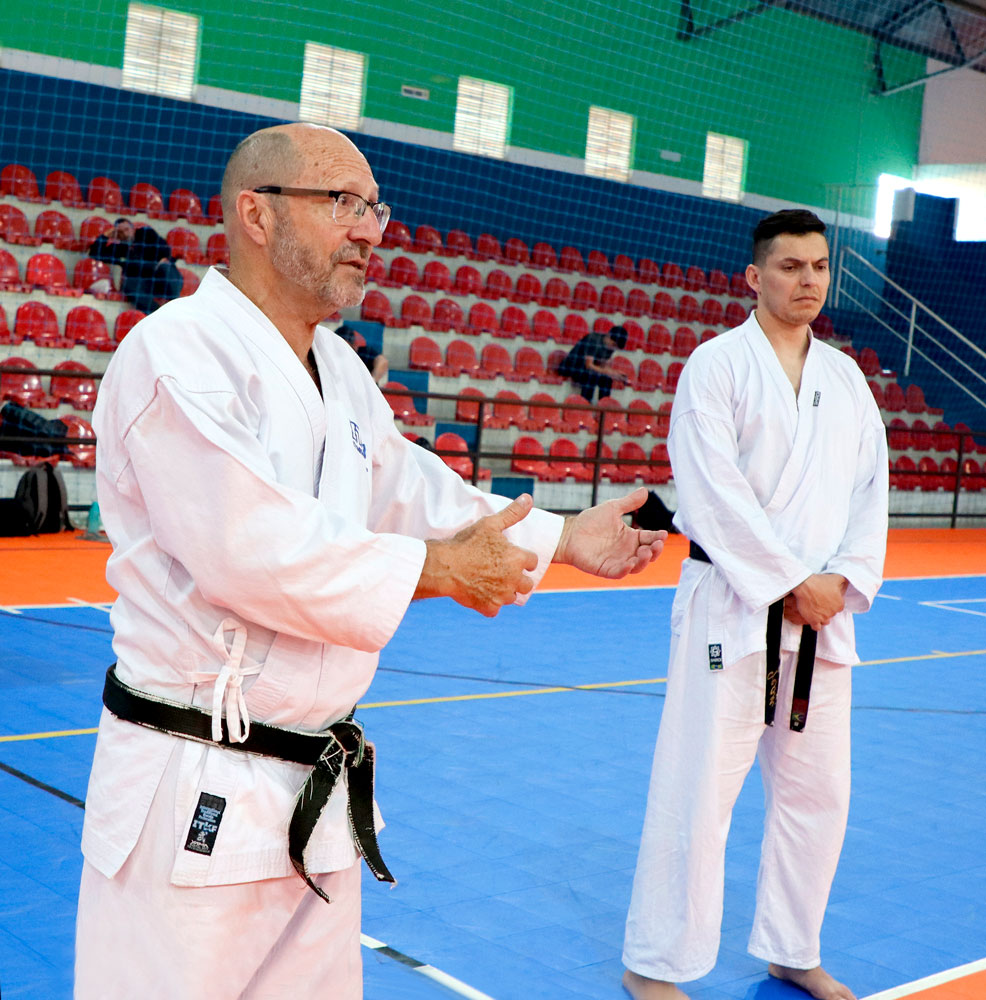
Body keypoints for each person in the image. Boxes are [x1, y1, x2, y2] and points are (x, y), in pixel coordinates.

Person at [76, 123, 668, 1000]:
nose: (369, 230)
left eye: (375, 209)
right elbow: (250, 548)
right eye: (342, 203)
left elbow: (410, 488)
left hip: (316, 789)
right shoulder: (178, 352)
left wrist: (562, 536)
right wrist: (438, 569)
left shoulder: (339, 369)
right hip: (194, 780)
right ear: (257, 215)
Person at [622, 209, 888, 1000]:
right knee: (699, 788)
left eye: (819, 266)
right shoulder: (716, 366)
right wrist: (790, 580)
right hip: (734, 609)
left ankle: (792, 948)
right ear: (754, 276)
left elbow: (871, 493)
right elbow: (710, 492)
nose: (808, 280)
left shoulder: (847, 379)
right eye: (790, 266)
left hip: (822, 619)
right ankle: (655, 964)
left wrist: (841, 579)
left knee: (819, 795)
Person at [87, 217, 183, 313]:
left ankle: (176, 304)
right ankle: (156, 313)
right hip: (142, 284)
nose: (125, 234)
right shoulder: (118, 249)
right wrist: (105, 235)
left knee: (166, 267)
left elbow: (165, 249)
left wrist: (162, 260)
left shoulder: (146, 233)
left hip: (160, 278)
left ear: (133, 229)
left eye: (127, 230)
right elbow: (94, 254)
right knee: (128, 284)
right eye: (120, 232)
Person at [558, 323, 630, 401]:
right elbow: (589, 365)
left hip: (585, 369)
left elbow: (603, 366)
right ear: (608, 336)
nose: (613, 348)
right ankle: (586, 404)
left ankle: (604, 405)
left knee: (607, 379)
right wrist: (608, 372)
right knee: (592, 376)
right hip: (572, 366)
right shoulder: (593, 340)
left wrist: (615, 374)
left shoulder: (611, 347)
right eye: (613, 344)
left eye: (615, 346)